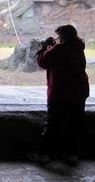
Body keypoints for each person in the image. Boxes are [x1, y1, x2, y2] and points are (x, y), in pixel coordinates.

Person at [28, 24, 89, 165]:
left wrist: (45, 47)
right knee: (74, 124)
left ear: (62, 37)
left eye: (58, 36)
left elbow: (43, 61)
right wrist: (52, 47)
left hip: (60, 93)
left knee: (53, 124)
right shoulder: (78, 47)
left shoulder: (59, 49)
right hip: (79, 92)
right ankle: (71, 154)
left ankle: (43, 154)